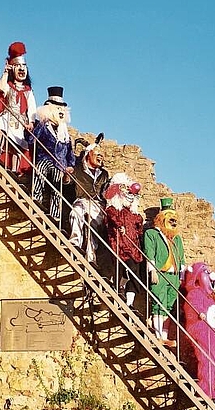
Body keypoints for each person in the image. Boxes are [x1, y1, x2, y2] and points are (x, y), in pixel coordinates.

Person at [27, 86, 75, 222]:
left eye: (62, 109)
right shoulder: (44, 126)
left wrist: (70, 165)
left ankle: (55, 213)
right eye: (57, 108)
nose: (60, 112)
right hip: (45, 158)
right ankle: (36, 198)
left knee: (57, 185)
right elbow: (32, 140)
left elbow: (70, 152)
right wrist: (32, 130)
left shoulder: (64, 133)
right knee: (41, 168)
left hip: (59, 164)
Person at [143, 197, 186, 347]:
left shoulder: (177, 239)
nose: (173, 222)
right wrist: (152, 270)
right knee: (158, 302)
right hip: (160, 273)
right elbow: (149, 252)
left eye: (175, 220)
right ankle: (158, 334)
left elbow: (181, 258)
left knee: (169, 305)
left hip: (174, 276)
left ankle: (165, 336)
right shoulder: (151, 234)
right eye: (170, 219)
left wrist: (182, 276)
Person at [183, 262, 215, 399]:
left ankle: (211, 387)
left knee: (213, 361)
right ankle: (204, 388)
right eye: (205, 271)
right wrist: (199, 312)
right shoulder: (195, 293)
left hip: (214, 333)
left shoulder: (212, 298)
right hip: (202, 330)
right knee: (206, 359)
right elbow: (191, 306)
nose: (209, 275)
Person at [0, 42, 37, 179]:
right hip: (7, 115)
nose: (22, 69)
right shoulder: (9, 86)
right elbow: (1, 87)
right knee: (1, 128)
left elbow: (32, 107)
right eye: (18, 67)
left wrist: (31, 121)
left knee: (17, 146)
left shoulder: (28, 91)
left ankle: (14, 169)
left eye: (24, 66)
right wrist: (5, 72)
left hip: (20, 120)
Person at [103, 173, 144, 309]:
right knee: (120, 270)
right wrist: (120, 225)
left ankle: (129, 302)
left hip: (133, 247)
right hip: (119, 245)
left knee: (134, 273)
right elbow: (112, 216)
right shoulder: (113, 209)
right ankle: (118, 292)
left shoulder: (133, 213)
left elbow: (139, 227)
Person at [68, 135, 109, 265]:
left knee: (93, 226)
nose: (100, 157)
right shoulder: (78, 170)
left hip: (98, 204)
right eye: (97, 154)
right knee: (76, 212)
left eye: (101, 155)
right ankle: (75, 242)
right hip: (83, 199)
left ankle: (91, 257)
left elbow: (105, 191)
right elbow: (67, 183)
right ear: (88, 155)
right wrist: (66, 176)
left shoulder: (104, 174)